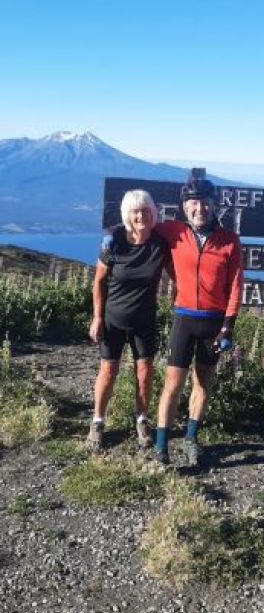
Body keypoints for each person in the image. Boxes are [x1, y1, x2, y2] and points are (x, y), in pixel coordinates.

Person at [154, 174, 243, 466]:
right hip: (184, 318)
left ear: (214, 205)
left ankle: (191, 439)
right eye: (193, 203)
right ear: (184, 206)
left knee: (203, 384)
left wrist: (228, 326)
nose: (199, 208)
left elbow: (236, 286)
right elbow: (140, 227)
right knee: (172, 385)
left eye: (205, 202)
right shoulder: (173, 232)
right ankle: (161, 446)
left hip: (213, 322)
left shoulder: (229, 241)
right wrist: (116, 238)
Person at [87, 189, 169, 452]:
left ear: (152, 213)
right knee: (108, 371)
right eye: (135, 211)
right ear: (126, 215)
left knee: (145, 372)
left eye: (145, 210)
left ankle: (142, 420)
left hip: (144, 320)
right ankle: (98, 422)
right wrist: (97, 317)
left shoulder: (160, 244)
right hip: (113, 319)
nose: (140, 216)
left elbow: (179, 273)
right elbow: (99, 281)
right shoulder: (113, 242)